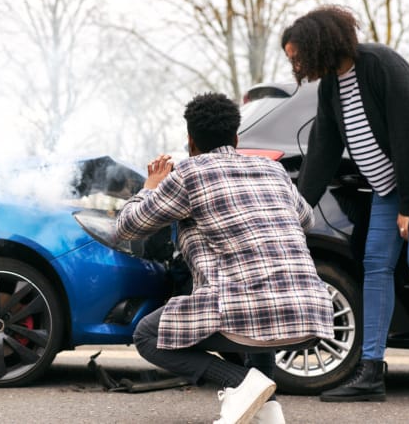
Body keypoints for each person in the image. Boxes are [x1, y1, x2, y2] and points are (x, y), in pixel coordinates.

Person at [281, 5, 409, 408]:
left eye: (298, 57)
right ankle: (370, 372)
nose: (296, 65)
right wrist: (297, 209)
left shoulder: (378, 64)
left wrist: (408, 203)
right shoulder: (331, 87)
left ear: (320, 45)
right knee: (376, 263)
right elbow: (323, 149)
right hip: (394, 181)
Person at [116, 93, 335, 424]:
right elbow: (307, 220)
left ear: (190, 141)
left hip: (247, 309)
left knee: (147, 335)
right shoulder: (272, 170)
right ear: (236, 137)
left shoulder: (189, 174)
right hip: (309, 311)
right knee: (250, 305)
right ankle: (267, 408)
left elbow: (128, 227)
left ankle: (243, 384)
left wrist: (150, 187)